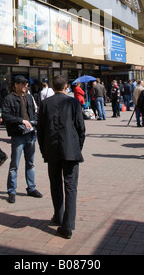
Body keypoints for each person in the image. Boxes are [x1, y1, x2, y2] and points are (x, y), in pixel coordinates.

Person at [38, 75, 85, 240]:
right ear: (66, 87)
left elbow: (41, 131)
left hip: (52, 149)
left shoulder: (45, 104)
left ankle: (59, 216)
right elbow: (80, 128)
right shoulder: (73, 103)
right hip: (70, 150)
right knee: (71, 187)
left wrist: (44, 150)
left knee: (55, 184)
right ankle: (68, 224)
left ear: (52, 86)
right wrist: (78, 148)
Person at [2, 75, 43, 203]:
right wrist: (21, 121)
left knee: (30, 163)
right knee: (14, 164)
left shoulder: (29, 97)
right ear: (16, 84)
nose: (26, 86)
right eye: (23, 83)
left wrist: (34, 122)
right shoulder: (9, 98)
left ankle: (31, 188)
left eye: (26, 84)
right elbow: (6, 116)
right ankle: (11, 191)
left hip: (30, 134)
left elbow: (33, 113)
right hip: (18, 135)